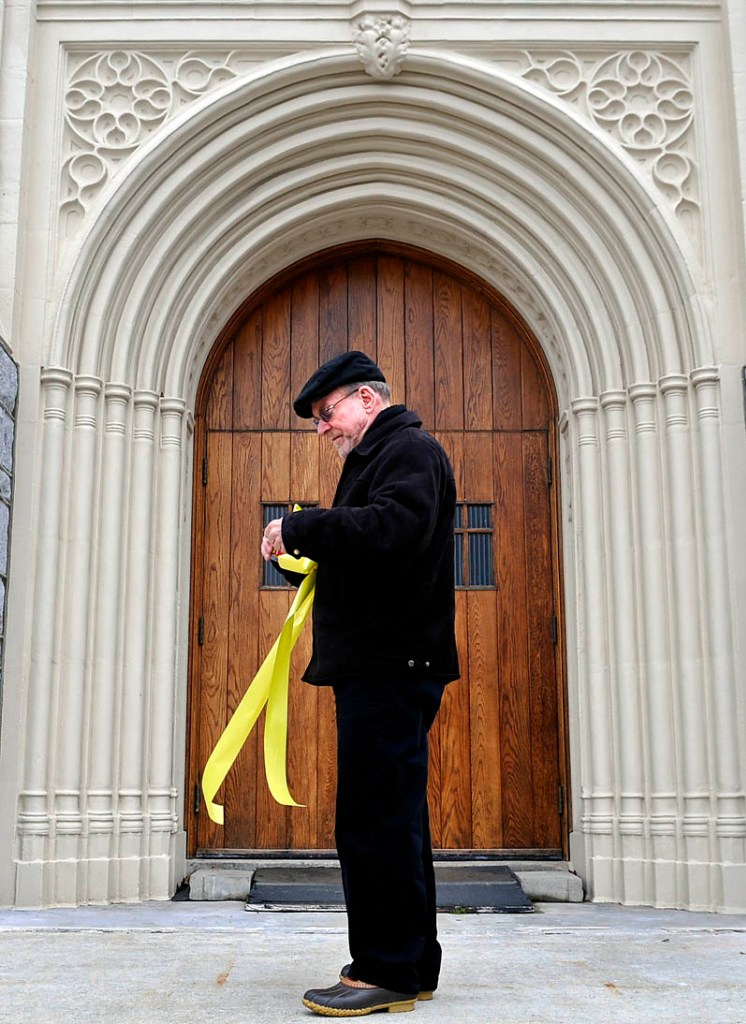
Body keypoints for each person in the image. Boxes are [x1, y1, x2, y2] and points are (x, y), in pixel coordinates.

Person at [261, 350, 460, 1017]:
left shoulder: (407, 451)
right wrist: (302, 559)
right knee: (393, 817)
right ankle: (409, 965)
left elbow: (391, 531)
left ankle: (383, 971)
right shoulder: (382, 459)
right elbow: (369, 558)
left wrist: (300, 523)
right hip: (385, 664)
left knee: (374, 821)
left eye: (327, 414)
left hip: (390, 667)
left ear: (366, 399)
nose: (324, 429)